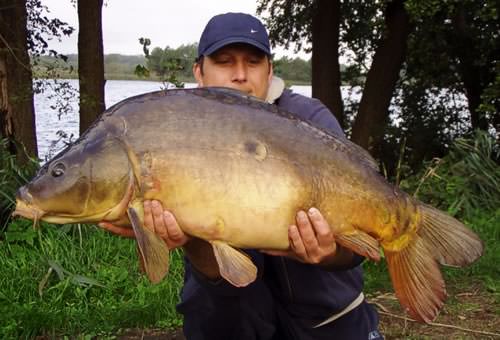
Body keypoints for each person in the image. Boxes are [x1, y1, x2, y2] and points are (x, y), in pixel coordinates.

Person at [102, 12, 382, 340]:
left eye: (252, 62)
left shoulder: (309, 119)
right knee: (212, 307)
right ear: (199, 72)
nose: (239, 75)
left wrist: (331, 253)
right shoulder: (178, 125)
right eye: (224, 62)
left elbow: (360, 247)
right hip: (235, 312)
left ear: (269, 70)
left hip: (323, 317)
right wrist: (190, 241)